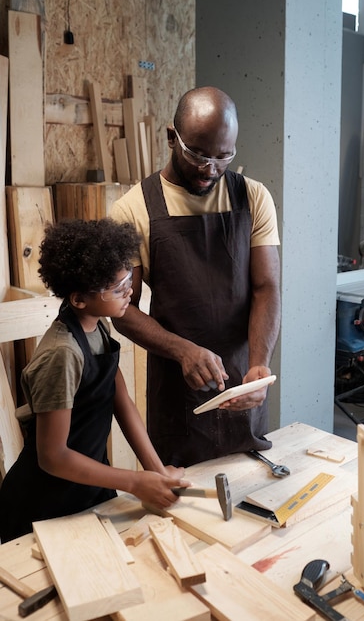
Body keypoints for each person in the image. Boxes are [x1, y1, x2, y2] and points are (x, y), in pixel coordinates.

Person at [110, 86, 281, 467]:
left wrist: (259, 364)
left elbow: (266, 287)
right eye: (198, 154)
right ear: (172, 137)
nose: (210, 169)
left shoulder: (254, 199)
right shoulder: (133, 209)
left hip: (241, 379)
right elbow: (122, 309)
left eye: (224, 157)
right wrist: (183, 350)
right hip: (177, 392)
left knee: (250, 482)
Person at [0, 218, 189, 543]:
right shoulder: (62, 355)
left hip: (87, 489)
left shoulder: (97, 328)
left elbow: (122, 402)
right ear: (78, 299)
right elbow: (53, 456)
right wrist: (132, 482)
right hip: (45, 502)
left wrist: (156, 472)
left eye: (127, 280)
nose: (129, 291)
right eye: (117, 289)